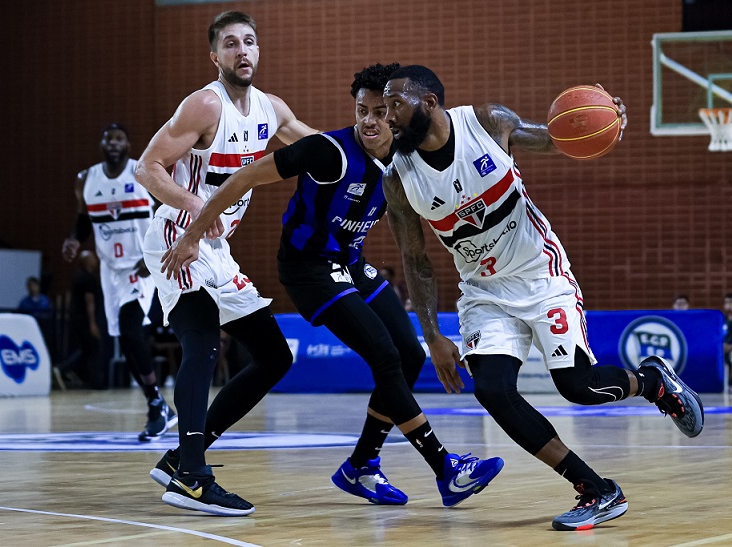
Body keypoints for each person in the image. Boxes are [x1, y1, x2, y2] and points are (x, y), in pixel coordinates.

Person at [154, 60, 504, 514]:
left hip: (352, 264)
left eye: (381, 112)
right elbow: (242, 178)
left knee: (410, 353)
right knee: (383, 354)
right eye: (363, 111)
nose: (370, 121)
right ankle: (445, 468)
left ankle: (361, 465)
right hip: (309, 269)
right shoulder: (326, 151)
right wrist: (195, 232)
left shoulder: (403, 162)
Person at [381, 65, 704, 531]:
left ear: (429, 102)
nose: (389, 116)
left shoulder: (487, 122)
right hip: (483, 291)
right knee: (492, 390)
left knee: (578, 387)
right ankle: (595, 489)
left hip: (540, 275)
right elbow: (415, 259)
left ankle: (652, 383)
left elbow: (555, 139)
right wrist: (431, 335)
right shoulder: (398, 178)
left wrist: (602, 123)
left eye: (395, 103)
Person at [136, 11, 314, 517]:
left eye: (250, 42)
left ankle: (179, 457)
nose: (242, 51)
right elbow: (147, 168)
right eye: (231, 44)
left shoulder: (271, 109)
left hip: (219, 249)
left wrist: (378, 147)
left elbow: (319, 149)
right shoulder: (204, 105)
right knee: (203, 342)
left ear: (258, 52)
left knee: (274, 355)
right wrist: (198, 208)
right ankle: (192, 477)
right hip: (179, 235)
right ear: (215, 56)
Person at [61, 123, 177, 441]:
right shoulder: (86, 179)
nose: (113, 143)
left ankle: (155, 403)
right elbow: (84, 217)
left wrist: (154, 253)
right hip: (110, 270)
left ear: (128, 144)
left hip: (141, 265)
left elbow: (168, 212)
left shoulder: (142, 173)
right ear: (101, 144)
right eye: (108, 138)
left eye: (119, 138)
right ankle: (158, 406)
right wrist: (74, 239)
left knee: (130, 328)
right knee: (124, 340)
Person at [55, 251, 108, 388]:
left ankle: (68, 371)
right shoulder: (87, 278)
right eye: (92, 258)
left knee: (87, 349)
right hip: (85, 321)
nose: (95, 260)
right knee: (92, 349)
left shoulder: (79, 277)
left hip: (78, 320)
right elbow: (89, 302)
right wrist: (93, 324)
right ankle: (63, 369)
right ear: (87, 262)